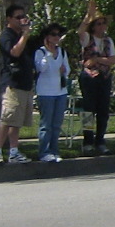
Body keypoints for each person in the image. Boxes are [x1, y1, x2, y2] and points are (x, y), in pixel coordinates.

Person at [0, 3, 36, 166]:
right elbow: (14, 53)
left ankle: (14, 151)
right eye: (18, 17)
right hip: (12, 83)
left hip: (25, 84)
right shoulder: (6, 36)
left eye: (23, 16)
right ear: (9, 19)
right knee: (7, 118)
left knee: (17, 121)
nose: (22, 20)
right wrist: (25, 35)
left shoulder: (22, 36)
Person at [77, 14, 115, 151]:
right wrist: (89, 15)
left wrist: (97, 60)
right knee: (88, 110)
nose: (101, 27)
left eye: (103, 23)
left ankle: (100, 140)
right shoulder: (88, 39)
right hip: (89, 77)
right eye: (98, 24)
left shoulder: (108, 40)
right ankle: (87, 141)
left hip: (104, 77)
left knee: (103, 110)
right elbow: (80, 32)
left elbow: (113, 59)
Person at [32, 24, 71, 163]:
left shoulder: (62, 52)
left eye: (58, 35)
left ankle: (54, 151)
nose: (57, 37)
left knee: (56, 124)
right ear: (47, 37)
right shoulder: (40, 52)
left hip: (60, 92)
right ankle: (44, 152)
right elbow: (41, 68)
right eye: (53, 35)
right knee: (46, 124)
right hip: (45, 92)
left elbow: (67, 70)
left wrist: (63, 70)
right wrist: (49, 54)